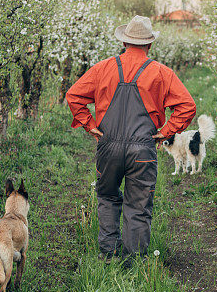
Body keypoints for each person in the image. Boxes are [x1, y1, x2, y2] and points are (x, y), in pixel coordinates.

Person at [65, 15, 196, 265]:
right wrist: (167, 131)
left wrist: (90, 125)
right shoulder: (161, 72)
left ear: (124, 42)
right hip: (143, 148)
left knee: (107, 197)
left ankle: (108, 256)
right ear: (149, 45)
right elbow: (187, 106)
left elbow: (74, 96)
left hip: (108, 146)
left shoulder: (102, 68)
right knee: (138, 204)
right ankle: (133, 262)